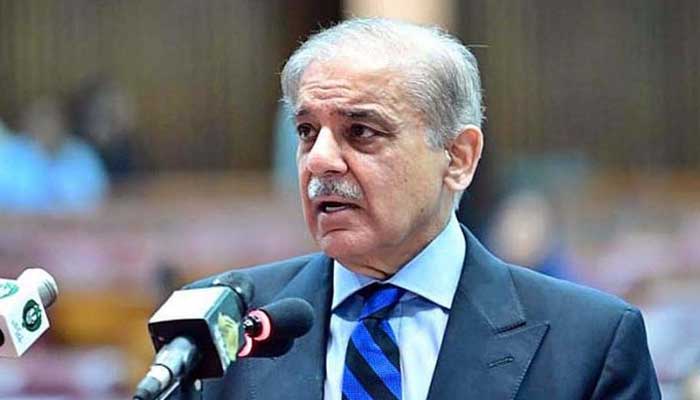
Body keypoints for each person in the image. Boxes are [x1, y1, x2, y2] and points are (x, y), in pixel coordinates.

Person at [179, 18, 660, 399]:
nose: (318, 160)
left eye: (361, 132)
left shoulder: (590, 342)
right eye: (307, 131)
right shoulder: (215, 323)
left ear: (458, 157)